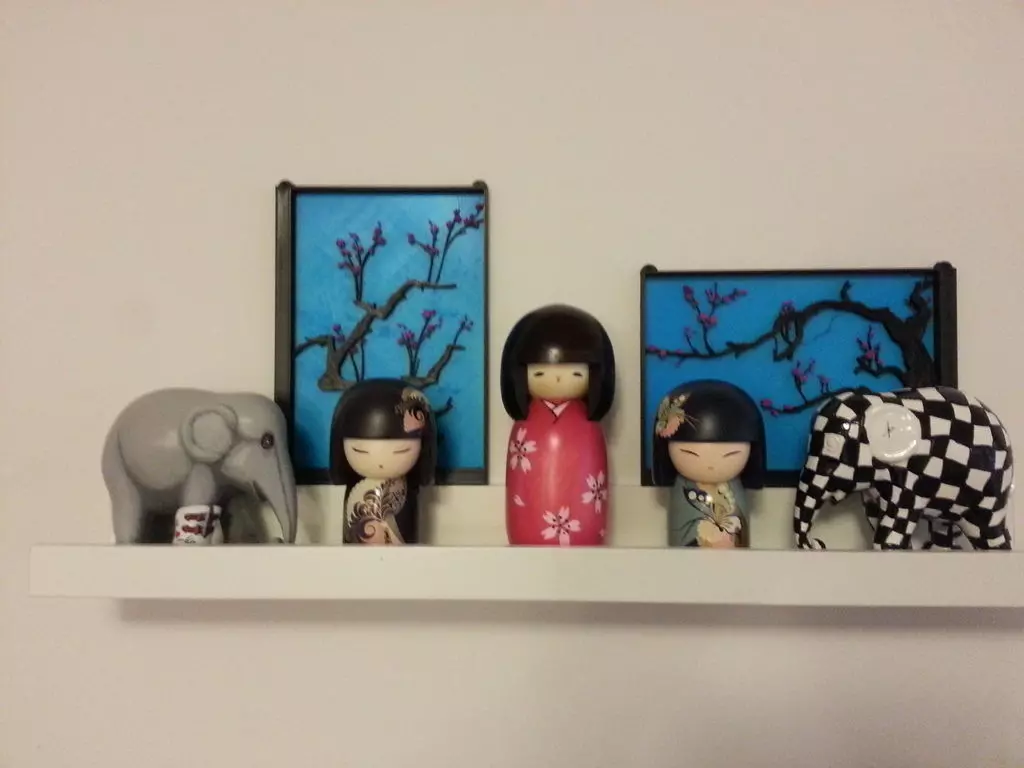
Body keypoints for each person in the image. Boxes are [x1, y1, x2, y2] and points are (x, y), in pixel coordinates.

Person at [499, 304, 616, 546]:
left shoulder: (588, 425)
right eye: (539, 374)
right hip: (526, 535)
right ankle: (527, 530)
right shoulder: (526, 424)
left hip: (584, 535)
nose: (559, 378)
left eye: (576, 373)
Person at [651, 379, 766, 548]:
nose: (711, 464)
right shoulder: (682, 488)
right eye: (691, 453)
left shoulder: (735, 489)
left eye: (730, 454)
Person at [329, 378, 436, 544]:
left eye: (401, 450)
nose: (380, 462)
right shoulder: (356, 490)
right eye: (361, 451)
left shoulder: (405, 492)